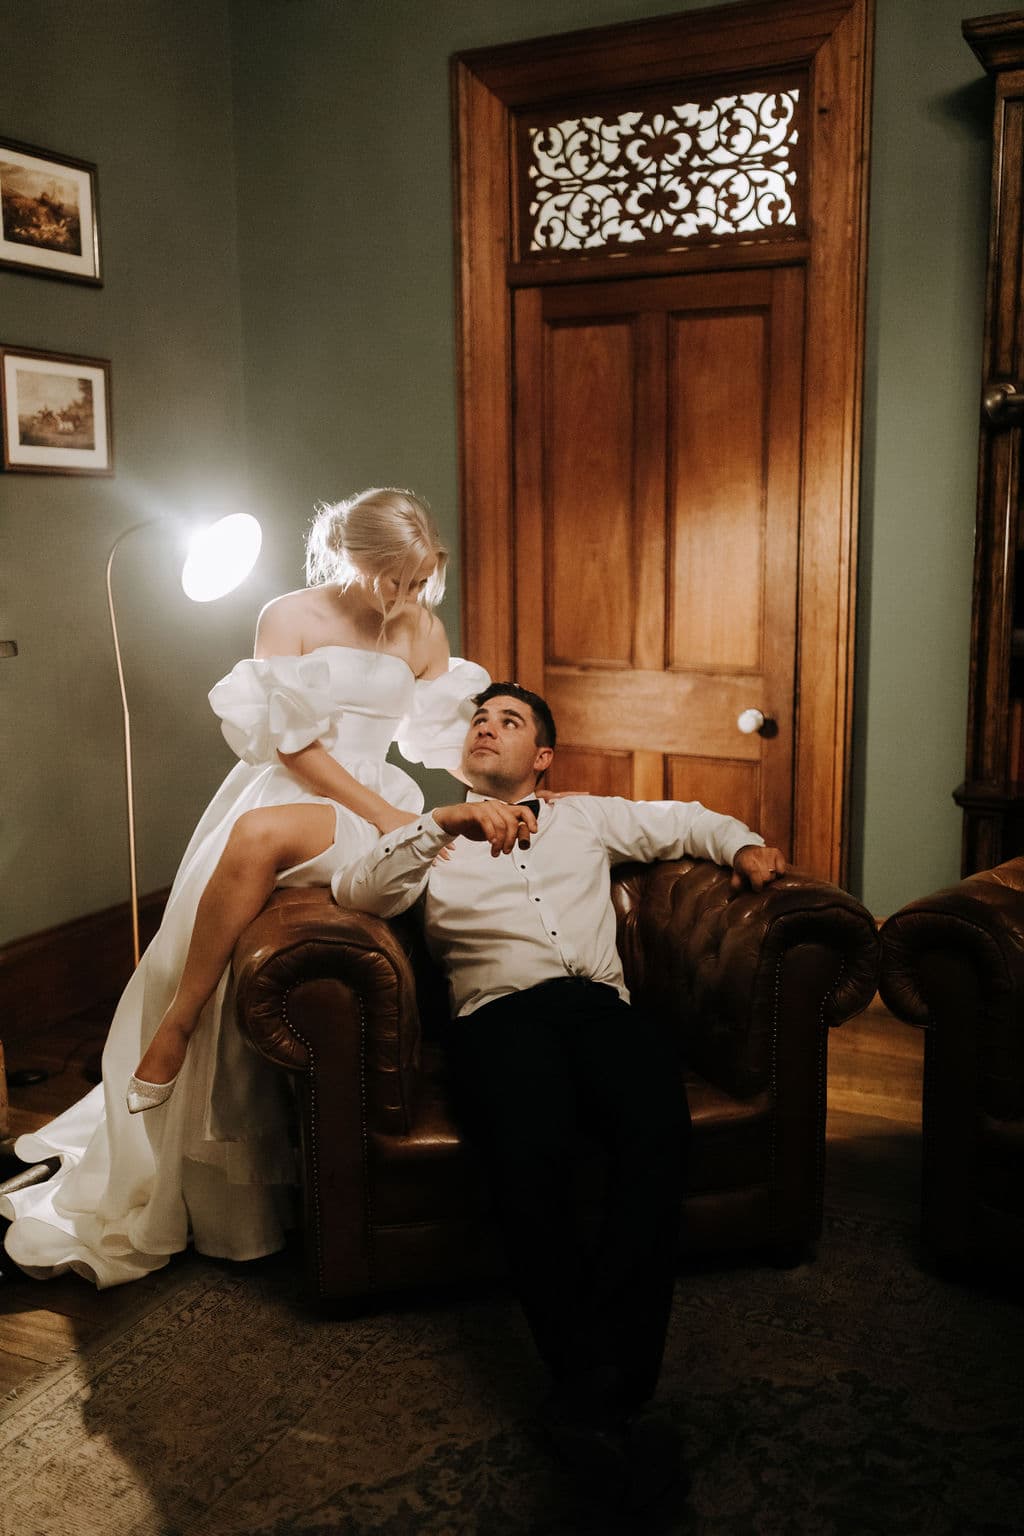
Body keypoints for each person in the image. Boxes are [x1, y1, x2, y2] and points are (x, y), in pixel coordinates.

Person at [1, 488, 489, 1288]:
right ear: (348, 555)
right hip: (299, 794)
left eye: (416, 581)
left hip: (376, 802)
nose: (401, 597)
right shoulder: (288, 614)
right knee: (189, 946)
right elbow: (294, 747)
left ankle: (195, 1061)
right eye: (388, 579)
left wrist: (507, 796)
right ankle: (175, 1042)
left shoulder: (423, 628)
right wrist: (382, 815)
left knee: (288, 863)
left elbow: (446, 742)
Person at [332, 681, 786, 1515]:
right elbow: (358, 893)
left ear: (542, 756)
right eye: (479, 719)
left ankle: (599, 1392)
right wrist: (444, 824)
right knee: (529, 1154)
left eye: (508, 721)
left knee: (658, 1135)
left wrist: (746, 846)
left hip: (602, 1012)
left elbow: (686, 820)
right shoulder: (431, 838)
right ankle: (595, 1386)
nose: (485, 727)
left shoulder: (587, 817)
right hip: (499, 1019)